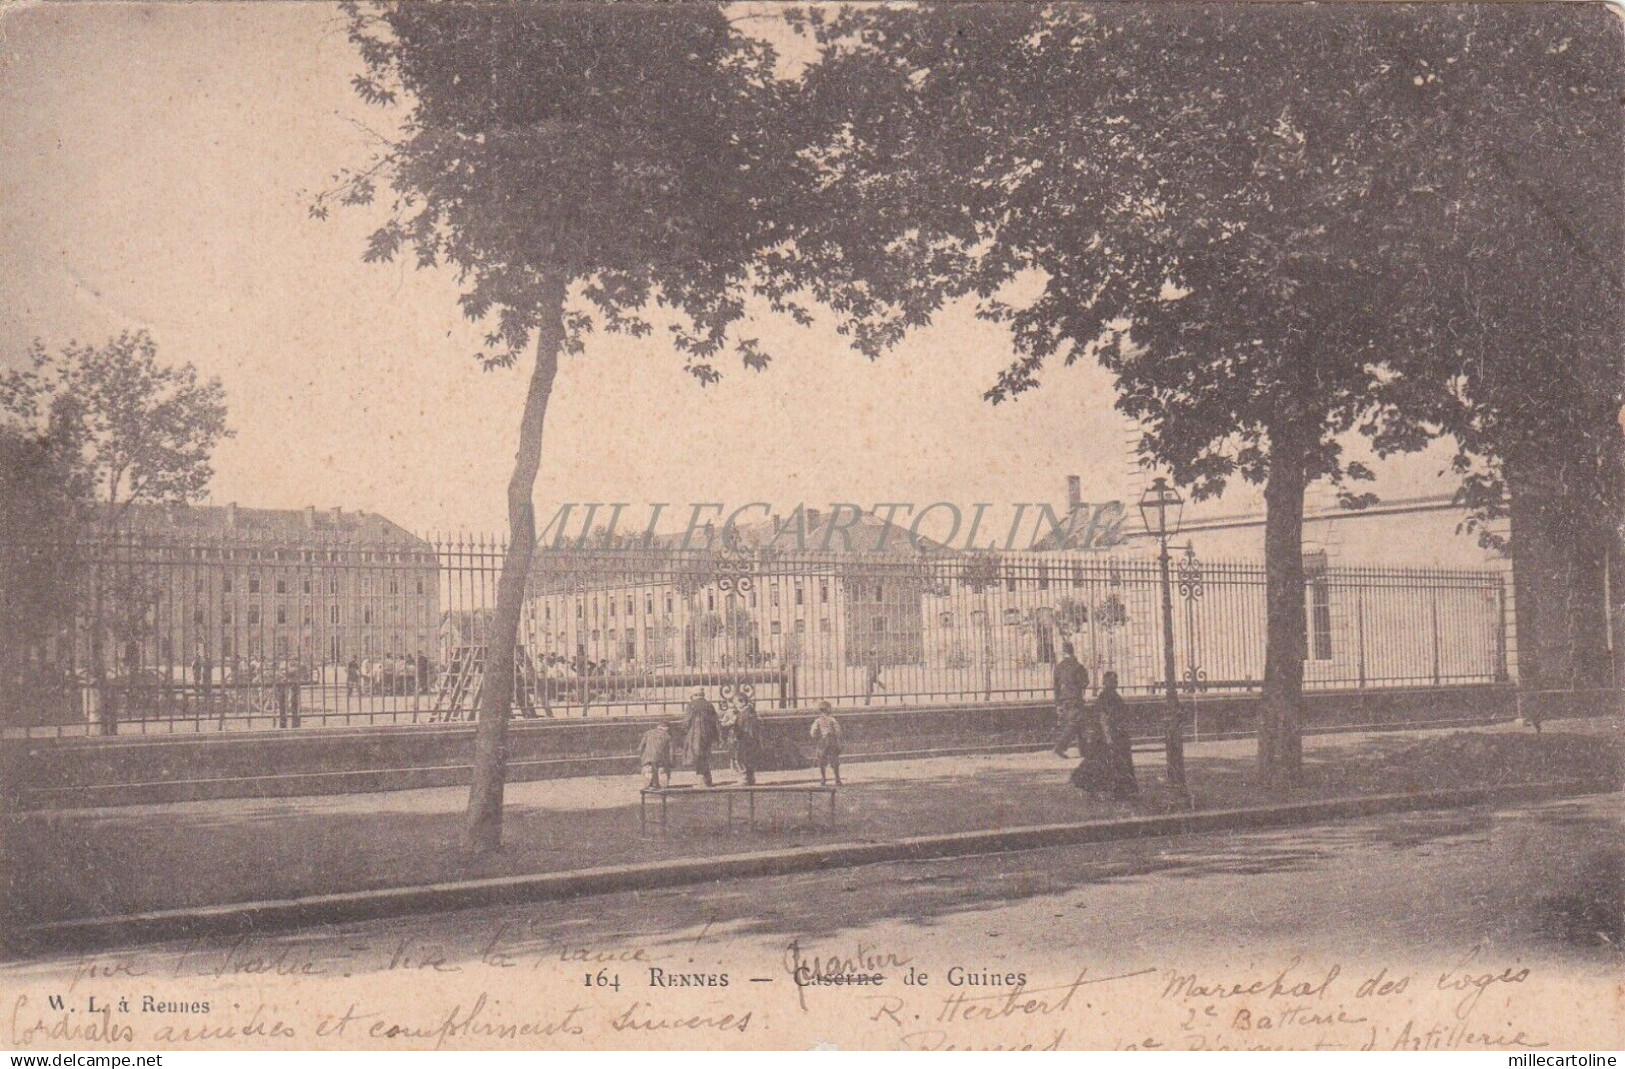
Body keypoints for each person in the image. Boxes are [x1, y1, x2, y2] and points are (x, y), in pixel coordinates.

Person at [1096, 671, 1138, 799]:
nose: (1115, 683)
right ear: (1105, 682)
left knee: (1122, 761)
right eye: (1112, 680)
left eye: (1116, 680)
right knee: (1112, 762)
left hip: (1120, 734)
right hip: (1111, 735)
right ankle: (1113, 789)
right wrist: (1108, 737)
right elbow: (1103, 717)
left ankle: (1122, 789)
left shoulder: (1114, 695)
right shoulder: (1104, 696)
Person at [683, 687, 720, 787]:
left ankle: (702, 782)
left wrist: (685, 731)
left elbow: (687, 721)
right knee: (705, 756)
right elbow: (715, 721)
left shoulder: (691, 705)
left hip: (695, 735)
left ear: (693, 695)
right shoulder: (709, 705)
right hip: (708, 735)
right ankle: (708, 780)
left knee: (698, 757)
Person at [1051, 641, 1089, 733]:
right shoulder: (1078, 666)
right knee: (1078, 728)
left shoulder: (1059, 667)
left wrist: (1057, 703)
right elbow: (1085, 682)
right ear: (1072, 651)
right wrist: (1077, 686)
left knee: (1066, 727)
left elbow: (1056, 687)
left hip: (1063, 700)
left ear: (1063, 652)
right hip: (1076, 699)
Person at [809, 701, 842, 786]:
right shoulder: (832, 720)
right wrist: (836, 738)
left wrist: (818, 737)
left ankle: (823, 779)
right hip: (832, 741)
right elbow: (838, 731)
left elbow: (813, 733)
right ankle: (837, 779)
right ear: (828, 710)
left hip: (823, 741)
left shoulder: (818, 720)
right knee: (834, 760)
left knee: (821, 760)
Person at [733, 695, 762, 786]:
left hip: (745, 739)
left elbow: (740, 727)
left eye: (736, 703)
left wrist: (735, 733)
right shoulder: (752, 711)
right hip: (752, 739)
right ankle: (750, 779)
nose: (735, 706)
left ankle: (744, 779)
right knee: (749, 759)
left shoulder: (744, 713)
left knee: (742, 759)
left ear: (743, 702)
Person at [638, 720, 675, 788]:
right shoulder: (668, 736)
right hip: (661, 759)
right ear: (667, 728)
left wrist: (642, 758)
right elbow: (671, 752)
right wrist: (671, 762)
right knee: (662, 769)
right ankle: (662, 777)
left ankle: (648, 773)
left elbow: (640, 748)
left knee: (649, 768)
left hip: (648, 757)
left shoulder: (648, 733)